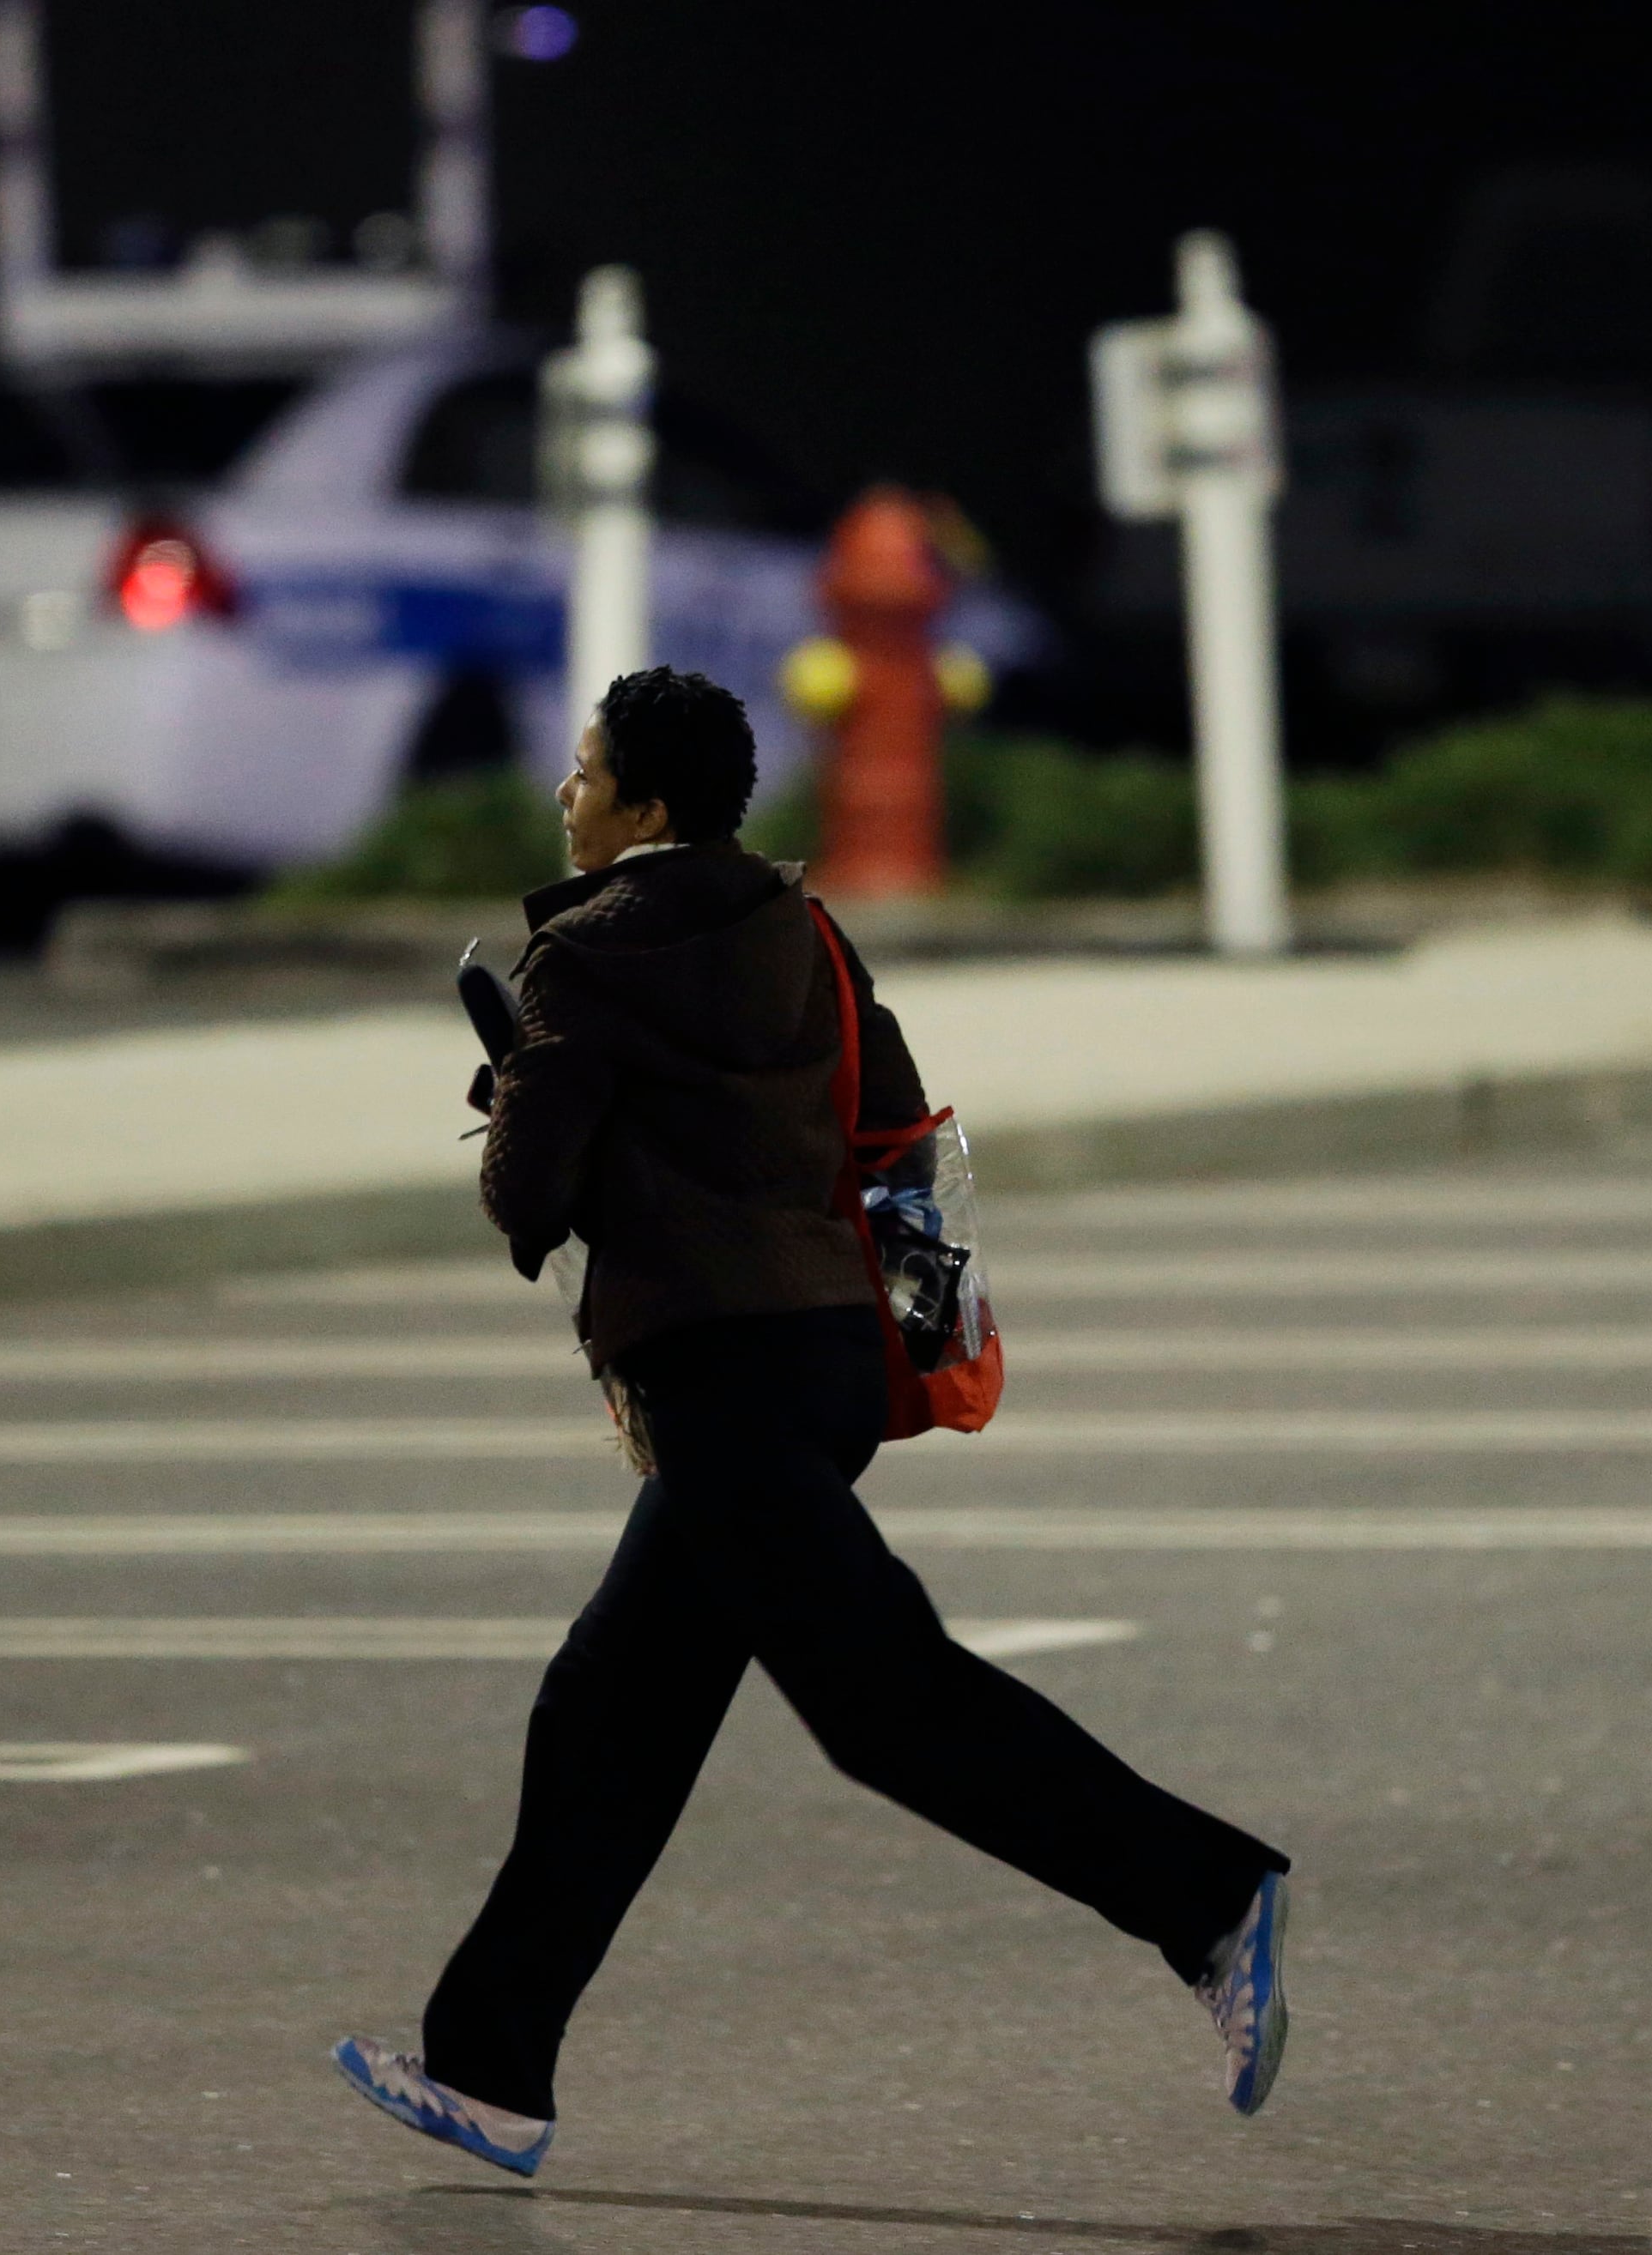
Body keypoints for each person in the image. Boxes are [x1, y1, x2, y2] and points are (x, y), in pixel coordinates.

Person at [334, 668, 1292, 2177]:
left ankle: (1206, 1896)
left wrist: (520, 1079)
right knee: (607, 1711)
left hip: (720, 1380)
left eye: (586, 775)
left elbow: (527, 1195)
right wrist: (918, 1335)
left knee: (884, 1705)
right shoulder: (801, 924)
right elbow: (898, 1113)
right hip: (827, 1361)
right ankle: (489, 2066)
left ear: (643, 806)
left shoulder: (579, 959)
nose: (567, 797)